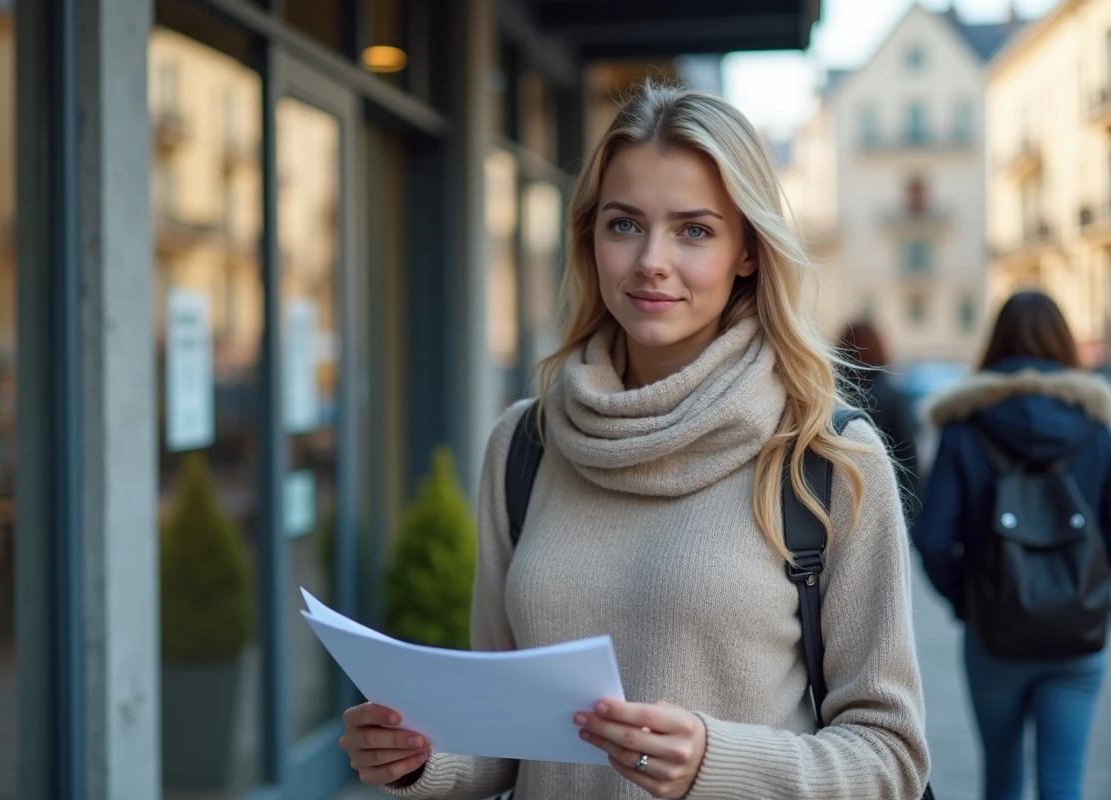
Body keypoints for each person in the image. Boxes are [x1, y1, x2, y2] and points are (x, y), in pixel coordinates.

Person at [339, 81, 930, 799]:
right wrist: (423, 756)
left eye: (695, 230)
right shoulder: (525, 444)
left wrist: (715, 759)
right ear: (591, 239)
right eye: (624, 225)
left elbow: (890, 757)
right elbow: (504, 746)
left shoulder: (826, 459)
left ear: (747, 250)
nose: (652, 260)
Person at [913, 291, 1110, 800]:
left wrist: (970, 602)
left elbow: (933, 540)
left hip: (994, 634)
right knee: (1062, 783)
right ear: (1064, 342)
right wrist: (1096, 595)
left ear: (995, 342)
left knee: (1001, 780)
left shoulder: (963, 426)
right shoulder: (1098, 425)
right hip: (1080, 632)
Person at [837, 320, 921, 513]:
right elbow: (909, 462)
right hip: (885, 502)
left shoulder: (833, 399)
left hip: (841, 502)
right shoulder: (893, 398)